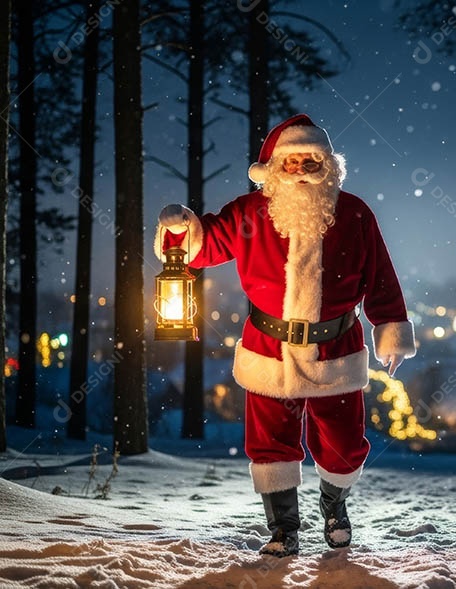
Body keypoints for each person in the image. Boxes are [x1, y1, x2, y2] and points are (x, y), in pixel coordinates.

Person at [155, 114, 416, 557]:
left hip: (336, 347)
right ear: (273, 168)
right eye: (291, 161)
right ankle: (283, 528)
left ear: (327, 165)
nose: (300, 168)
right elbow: (205, 247)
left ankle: (334, 507)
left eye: (310, 160)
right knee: (270, 443)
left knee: (344, 443)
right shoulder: (249, 213)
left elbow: (381, 277)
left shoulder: (353, 213)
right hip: (267, 348)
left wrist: (388, 329)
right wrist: (181, 226)